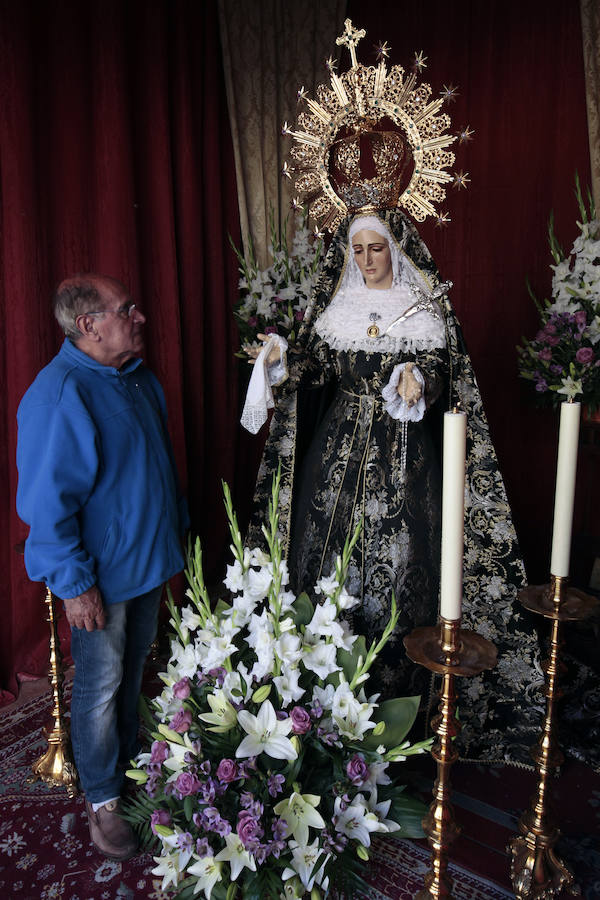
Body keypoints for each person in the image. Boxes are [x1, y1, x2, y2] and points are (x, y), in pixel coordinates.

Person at [244, 208, 544, 765]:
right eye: (356, 250)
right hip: (333, 457)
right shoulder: (339, 306)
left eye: (375, 249)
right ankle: (322, 703)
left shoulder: (426, 308)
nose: (365, 261)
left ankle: (396, 705)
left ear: (396, 247)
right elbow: (316, 370)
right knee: (326, 559)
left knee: (402, 562)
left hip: (405, 459)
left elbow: (445, 372)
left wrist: (417, 376)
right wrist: (285, 355)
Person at [16, 274, 189, 860]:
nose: (139, 317)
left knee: (132, 672)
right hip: (100, 579)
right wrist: (75, 585)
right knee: (98, 687)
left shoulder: (135, 378)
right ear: (88, 325)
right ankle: (103, 801)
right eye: (126, 310)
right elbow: (46, 504)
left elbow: (155, 469)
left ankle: (124, 770)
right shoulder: (59, 394)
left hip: (145, 564)